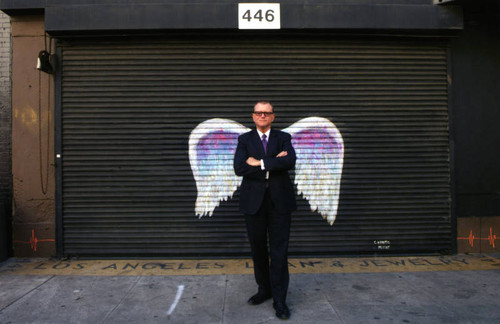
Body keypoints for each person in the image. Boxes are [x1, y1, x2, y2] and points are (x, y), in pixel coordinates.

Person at [233, 100, 296, 320]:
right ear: (253, 116)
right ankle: (264, 290)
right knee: (258, 250)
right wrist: (272, 162)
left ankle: (280, 300)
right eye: (259, 113)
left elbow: (290, 161)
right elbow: (239, 167)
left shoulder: (283, 138)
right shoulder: (244, 139)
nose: (262, 116)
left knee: (279, 253)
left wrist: (259, 163)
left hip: (280, 203)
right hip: (254, 203)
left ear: (273, 116)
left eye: (266, 113)